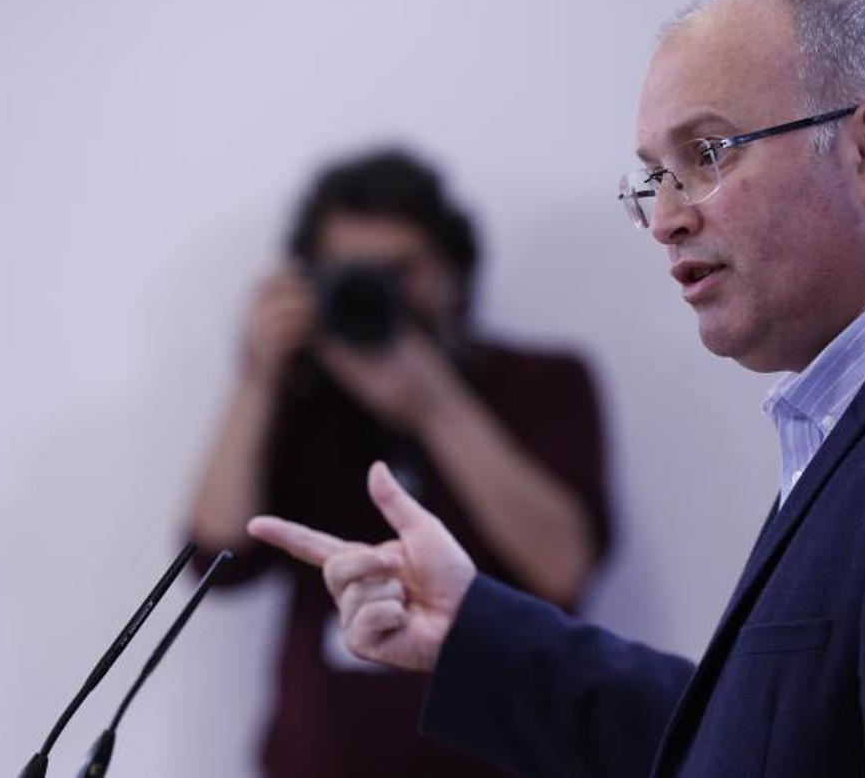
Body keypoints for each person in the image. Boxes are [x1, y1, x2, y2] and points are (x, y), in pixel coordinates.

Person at [248, 0, 865, 777]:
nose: (665, 219)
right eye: (655, 176)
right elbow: (765, 746)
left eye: (707, 153)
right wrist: (473, 633)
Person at [188, 149, 611, 776]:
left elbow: (563, 569)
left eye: (400, 269)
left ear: (452, 271)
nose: (377, 291)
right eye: (348, 273)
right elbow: (215, 557)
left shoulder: (541, 383)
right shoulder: (302, 397)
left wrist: (434, 403)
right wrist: (257, 377)